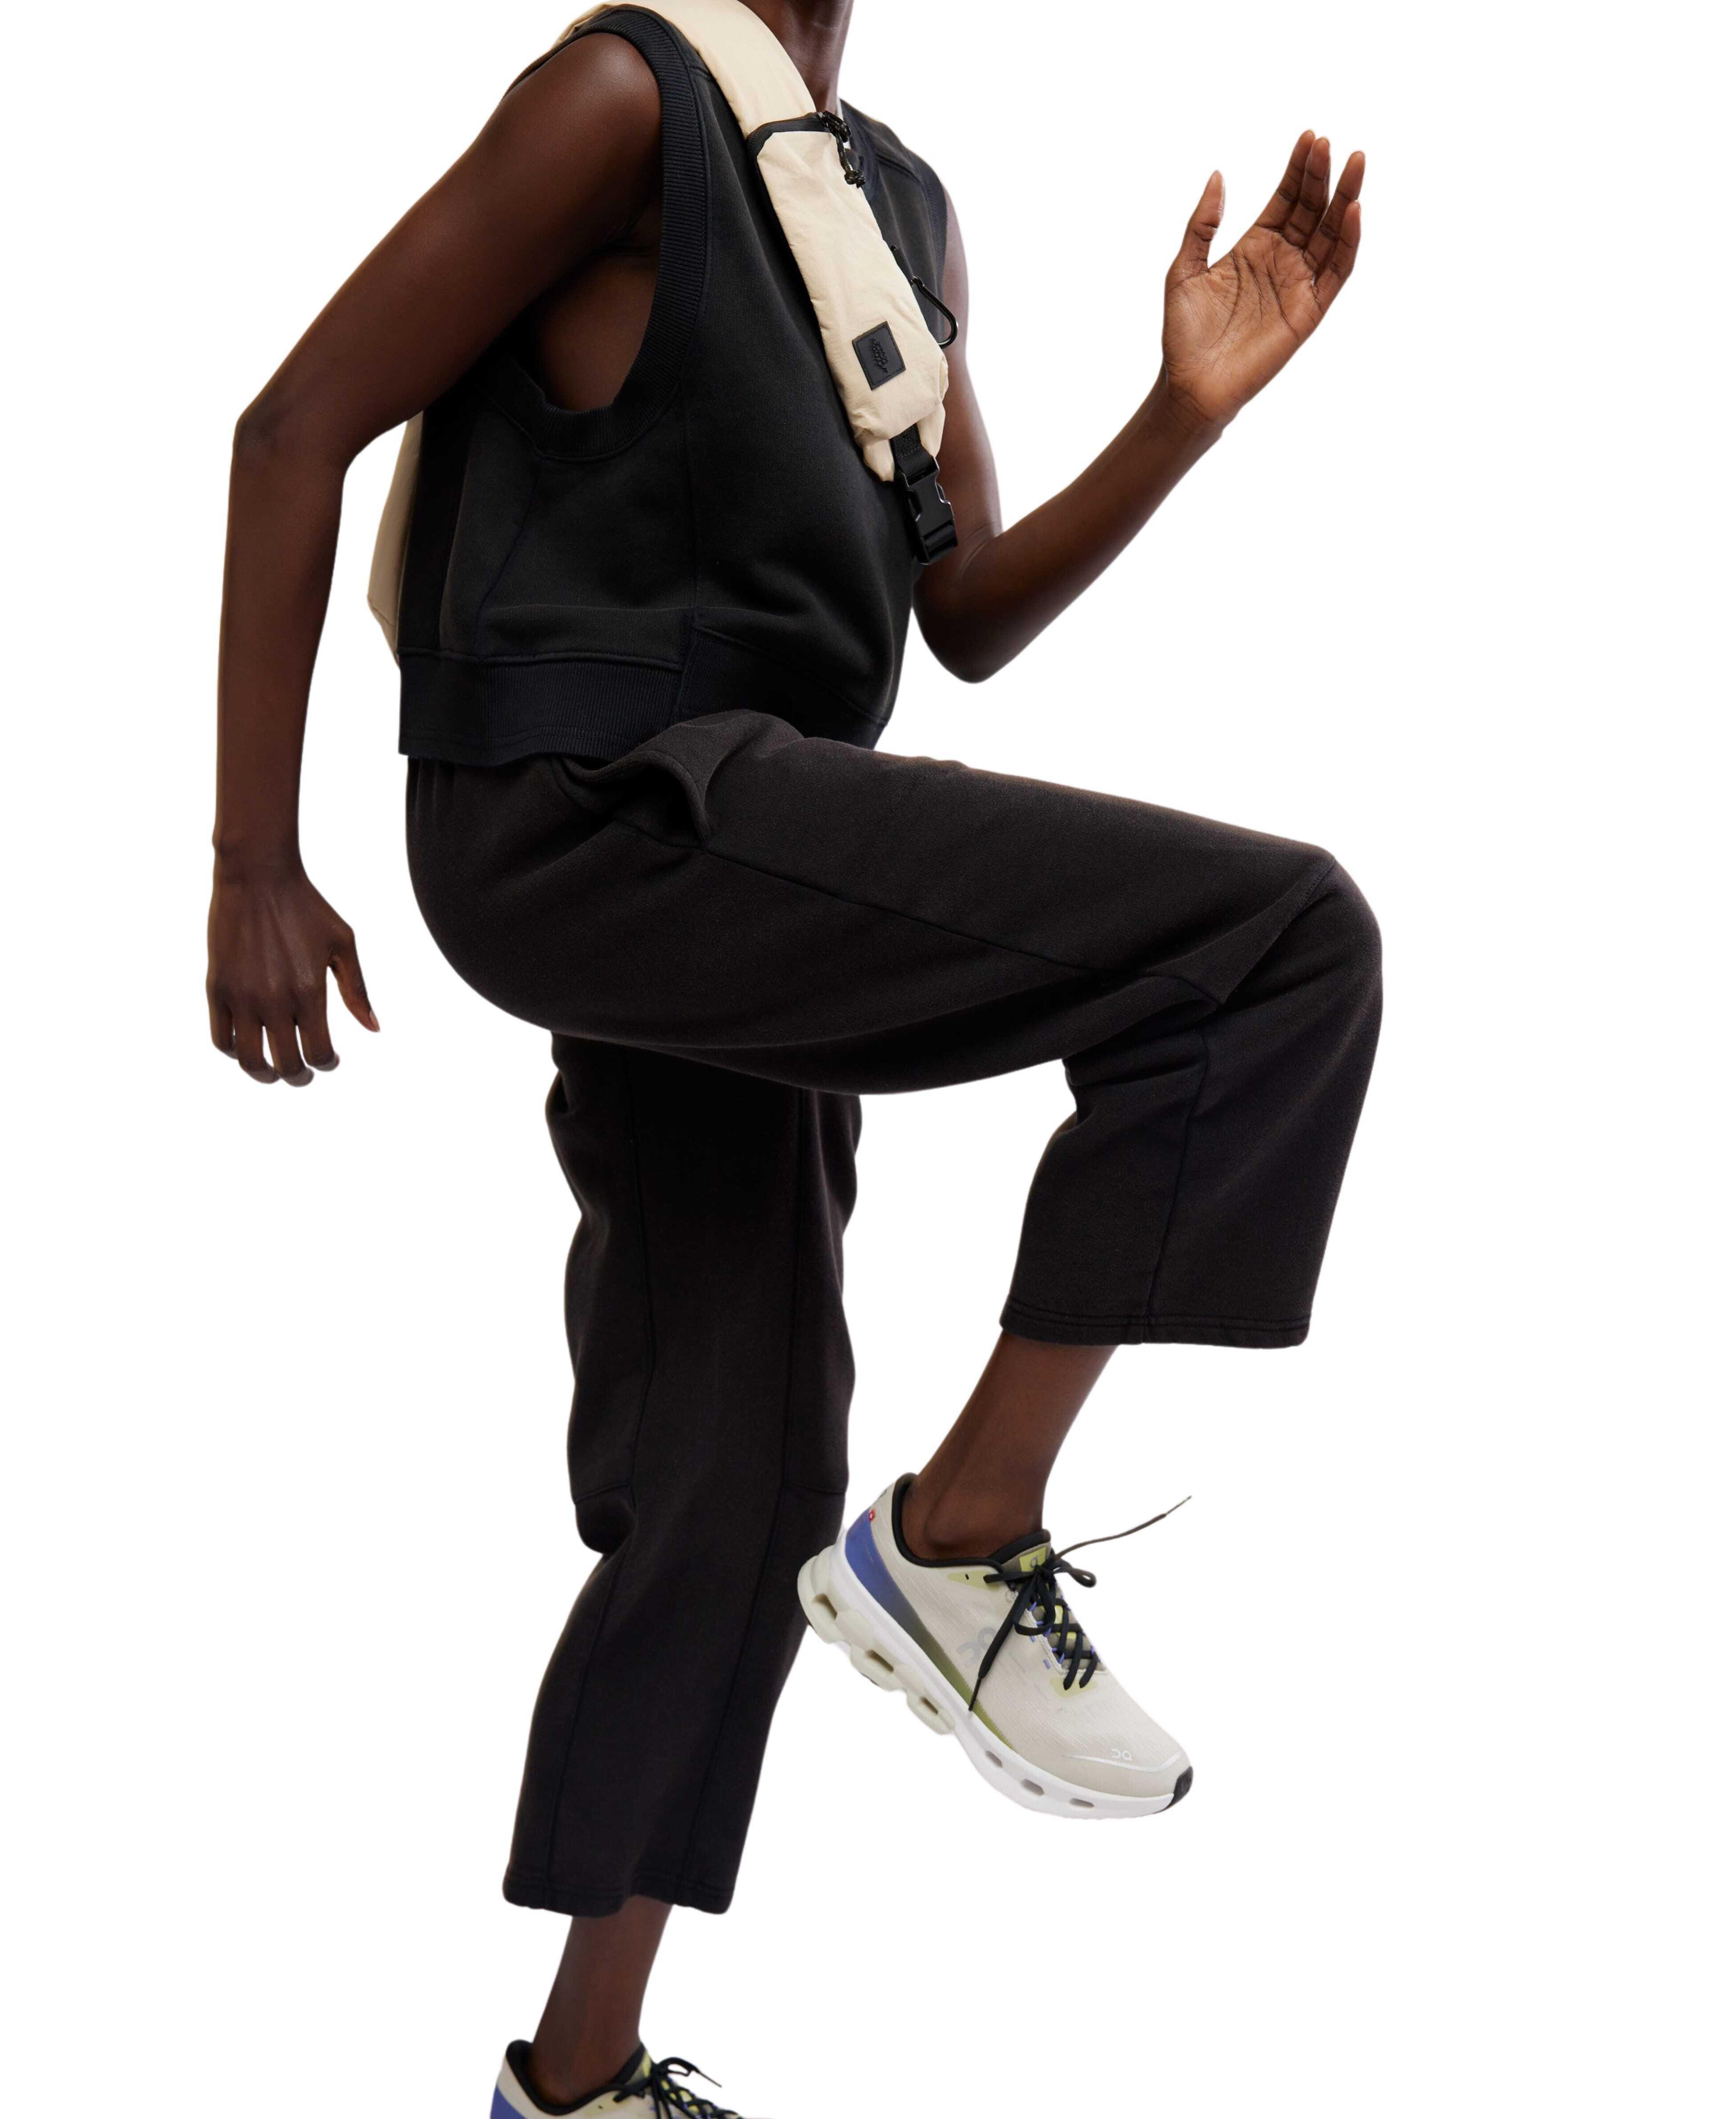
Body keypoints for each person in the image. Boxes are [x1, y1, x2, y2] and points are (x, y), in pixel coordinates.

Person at [205, 4, 1380, 2111]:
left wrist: (1179, 413)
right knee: (1272, 941)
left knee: (739, 1470)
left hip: (744, 848)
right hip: (583, 806)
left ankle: (573, 2078)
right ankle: (965, 1525)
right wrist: (252, 862)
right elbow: (293, 428)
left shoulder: (895, 209)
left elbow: (966, 612)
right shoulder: (618, 98)